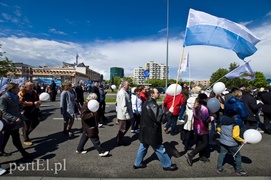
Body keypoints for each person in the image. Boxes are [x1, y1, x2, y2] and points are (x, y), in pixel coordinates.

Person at [133, 88, 177, 171]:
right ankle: (167, 165)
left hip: (145, 129)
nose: (159, 93)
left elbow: (154, 115)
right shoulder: (152, 105)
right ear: (152, 94)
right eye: (157, 92)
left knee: (143, 146)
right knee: (159, 148)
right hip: (151, 131)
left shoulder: (147, 102)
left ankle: (137, 163)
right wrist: (170, 112)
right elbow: (160, 119)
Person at [216, 100, 247, 176]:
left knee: (222, 154)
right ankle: (238, 170)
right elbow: (235, 136)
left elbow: (219, 129)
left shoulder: (222, 121)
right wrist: (242, 140)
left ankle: (219, 167)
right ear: (233, 116)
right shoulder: (235, 125)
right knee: (237, 156)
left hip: (223, 141)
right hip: (232, 143)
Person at [0, 83, 31, 157]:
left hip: (16, 120)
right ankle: (23, 153)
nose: (18, 89)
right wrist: (14, 118)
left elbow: (17, 105)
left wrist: (21, 105)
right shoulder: (4, 98)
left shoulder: (15, 96)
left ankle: (1, 150)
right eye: (17, 88)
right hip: (9, 121)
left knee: (6, 137)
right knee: (15, 137)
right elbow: (3, 111)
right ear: (12, 89)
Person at [185, 93, 215, 166]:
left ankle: (202, 156)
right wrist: (212, 117)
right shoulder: (204, 108)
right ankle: (192, 154)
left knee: (199, 141)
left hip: (196, 125)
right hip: (202, 127)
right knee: (205, 142)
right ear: (204, 99)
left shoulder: (195, 106)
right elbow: (206, 119)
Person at [19, 81, 41, 146]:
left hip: (34, 110)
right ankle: (26, 139)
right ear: (26, 87)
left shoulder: (34, 92)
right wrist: (33, 103)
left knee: (36, 122)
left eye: (32, 86)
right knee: (26, 125)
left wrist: (39, 103)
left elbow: (38, 99)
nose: (32, 87)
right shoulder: (22, 93)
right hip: (25, 111)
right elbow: (21, 102)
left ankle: (25, 133)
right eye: (30, 86)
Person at [116, 80, 133, 146]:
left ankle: (119, 137)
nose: (129, 86)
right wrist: (127, 115)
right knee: (123, 128)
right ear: (124, 85)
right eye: (128, 85)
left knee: (125, 127)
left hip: (125, 114)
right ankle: (120, 140)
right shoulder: (122, 93)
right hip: (123, 115)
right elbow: (124, 106)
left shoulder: (125, 92)